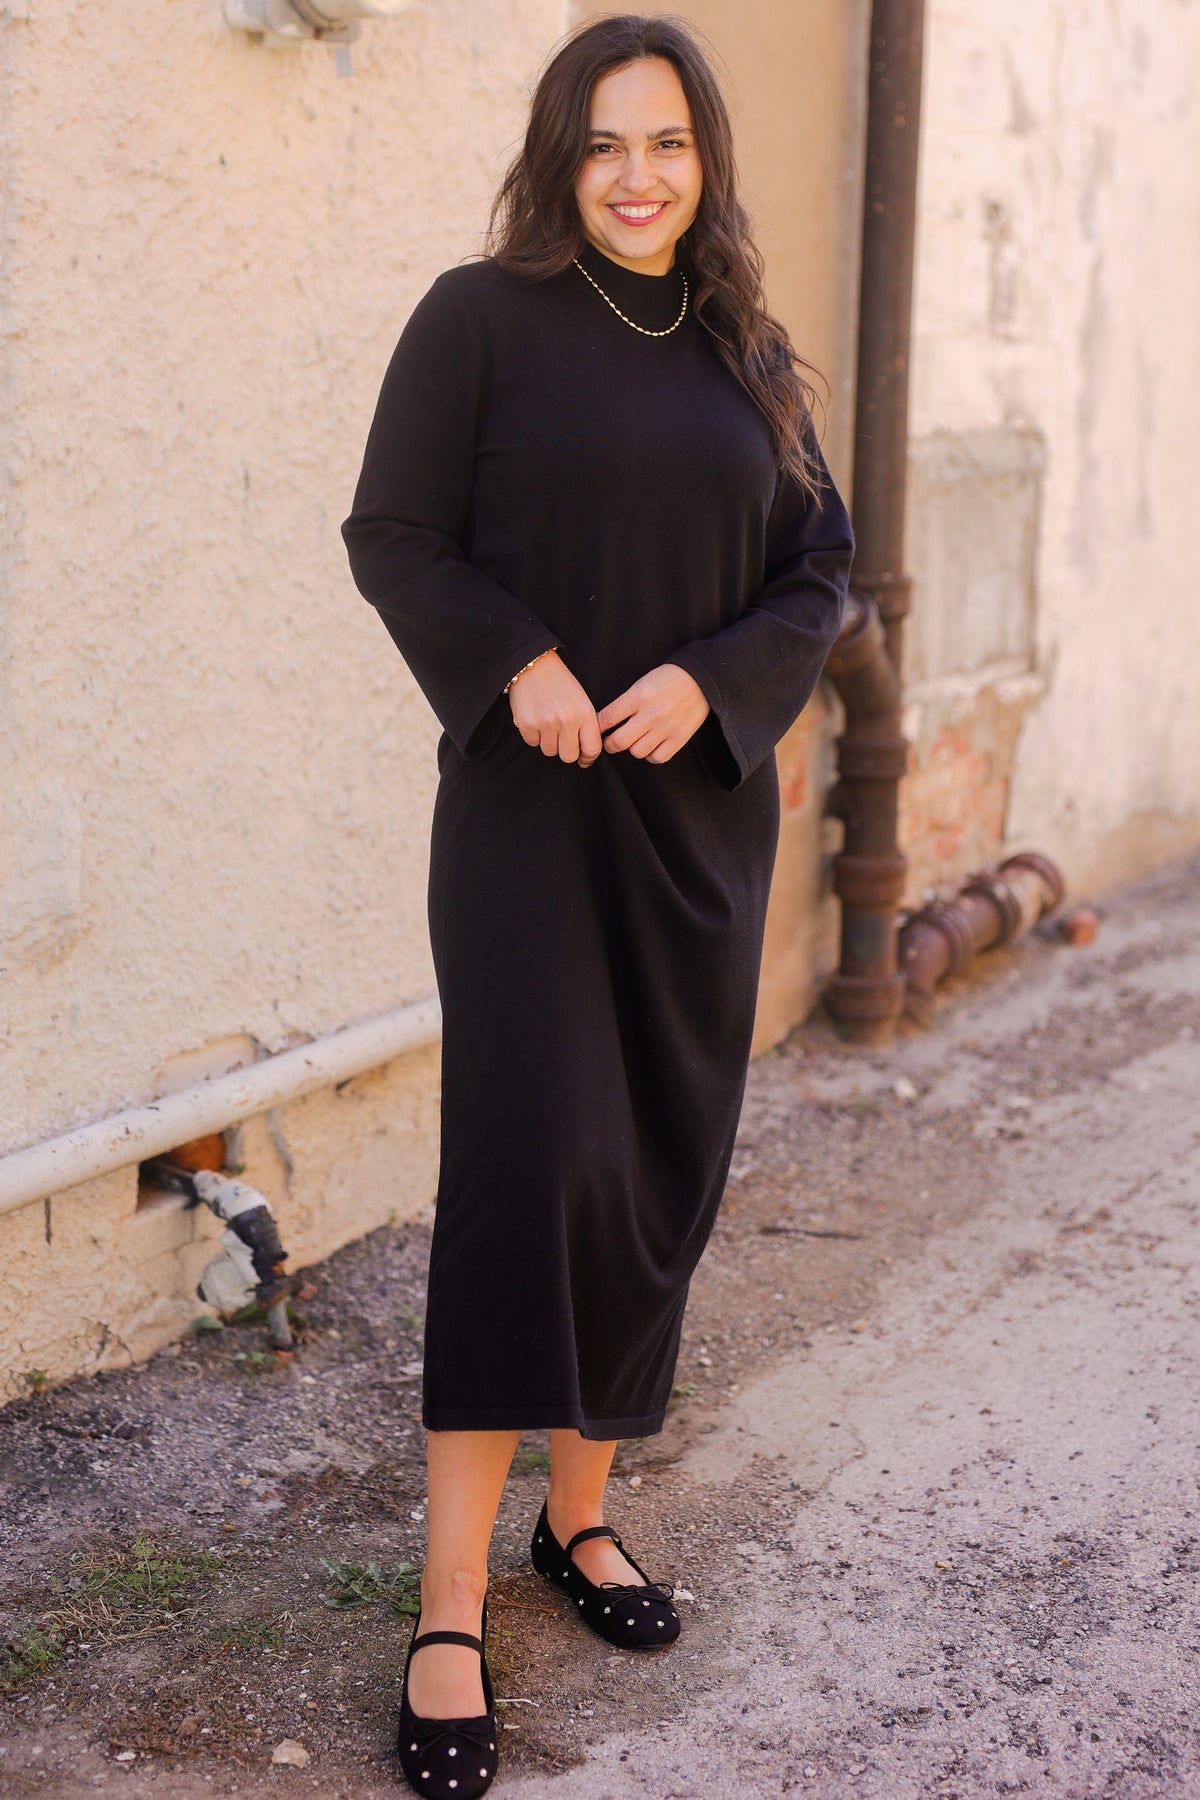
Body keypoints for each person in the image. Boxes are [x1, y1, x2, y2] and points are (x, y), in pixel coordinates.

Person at [342, 13, 853, 1795]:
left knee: (652, 1169)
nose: (639, 177)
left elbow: (822, 568)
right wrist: (522, 662)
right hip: (527, 825)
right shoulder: (476, 320)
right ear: (560, 153)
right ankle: (450, 1605)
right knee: (527, 1172)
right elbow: (393, 536)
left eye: (671, 145)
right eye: (605, 143)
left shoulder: (748, 352)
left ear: (706, 162)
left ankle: (583, 1521)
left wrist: (717, 681)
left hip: (697, 831)